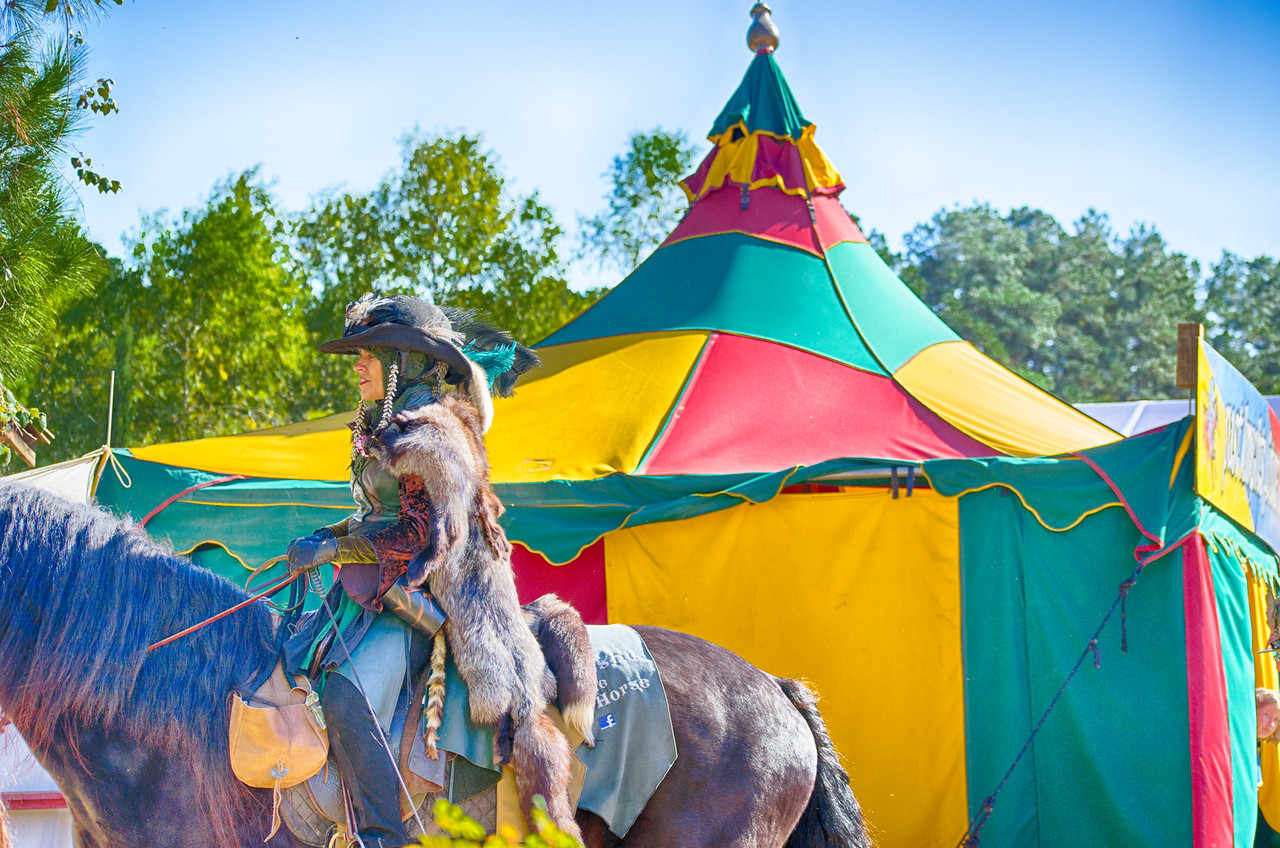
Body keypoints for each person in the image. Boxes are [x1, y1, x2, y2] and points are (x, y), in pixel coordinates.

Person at [283, 294, 584, 847]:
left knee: (347, 692)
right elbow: (379, 516)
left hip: (430, 591)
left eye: (369, 355)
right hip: (377, 582)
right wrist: (329, 536)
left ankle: (380, 836)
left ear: (403, 363)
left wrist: (334, 552)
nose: (358, 365)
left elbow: (421, 536)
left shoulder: (433, 431)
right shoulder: (384, 424)